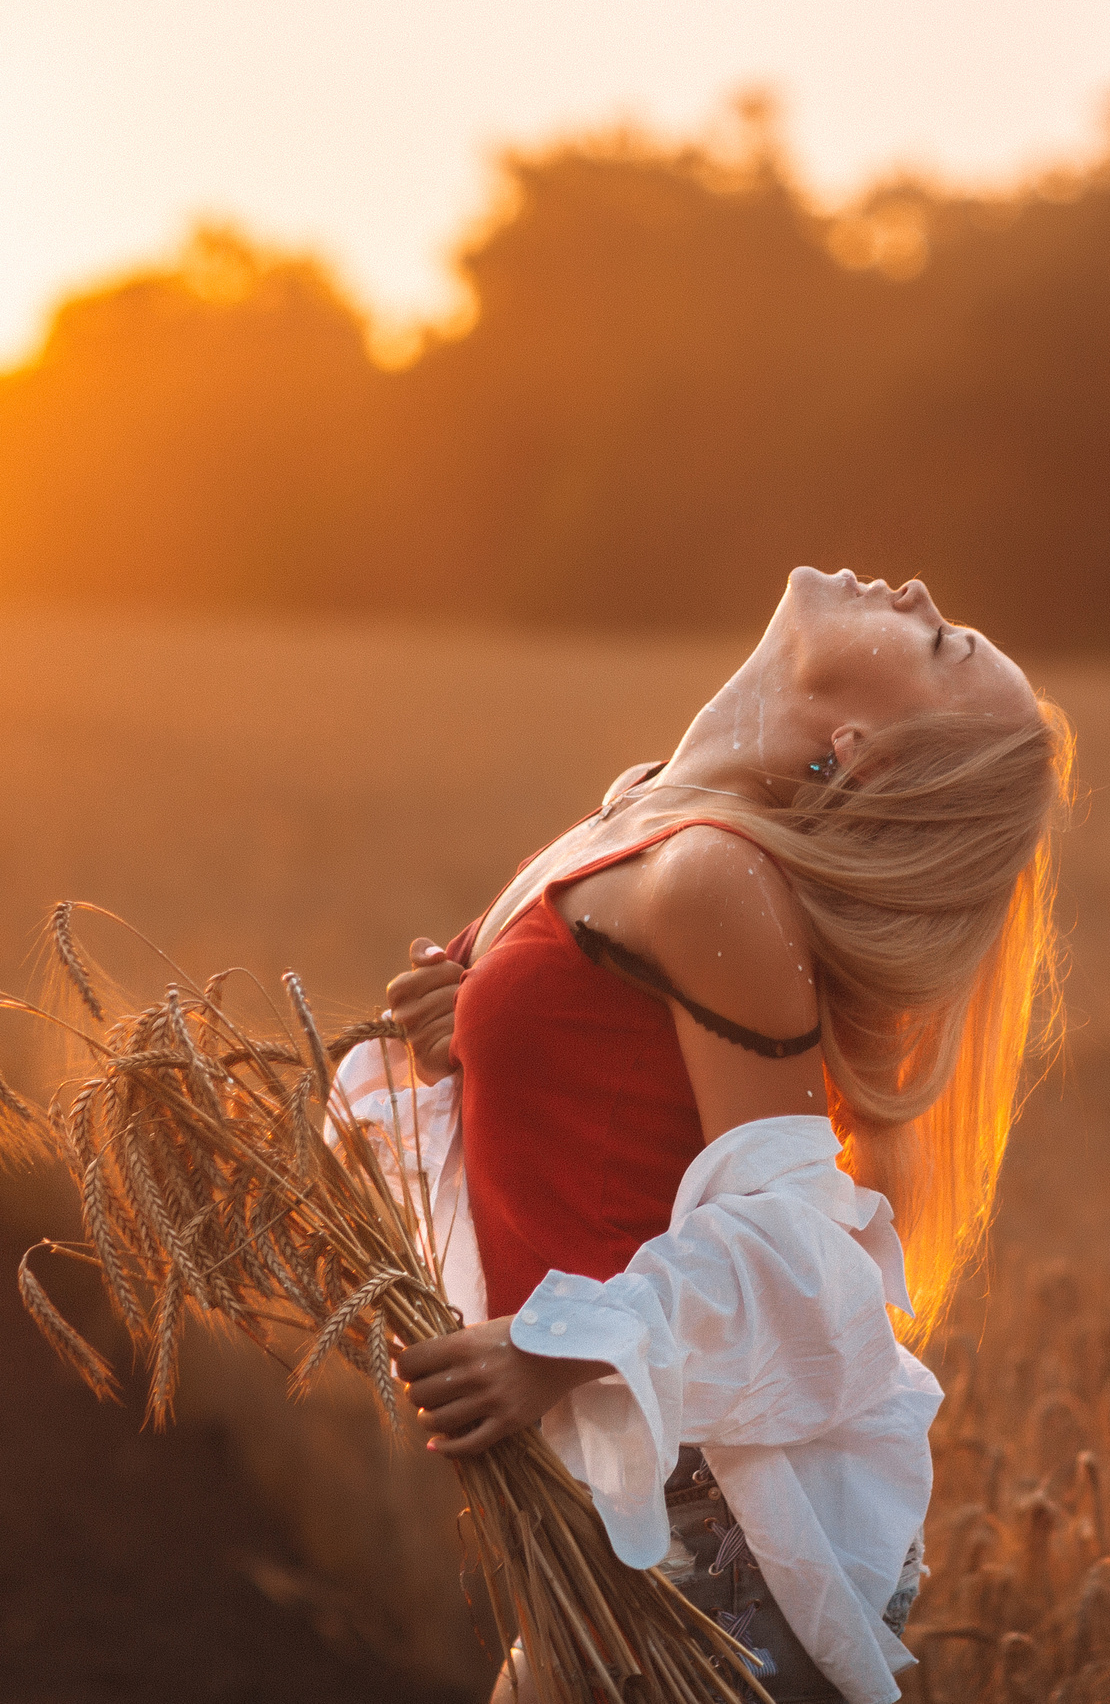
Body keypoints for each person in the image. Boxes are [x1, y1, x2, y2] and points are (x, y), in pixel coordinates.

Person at [380, 566, 1072, 1704]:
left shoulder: (716, 875)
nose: (916, 591)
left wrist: (553, 1348)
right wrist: (474, 1025)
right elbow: (606, 1086)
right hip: (609, 1503)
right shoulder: (639, 807)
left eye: (942, 644)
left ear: (857, 750)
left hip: (707, 1540)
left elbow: (796, 1247)